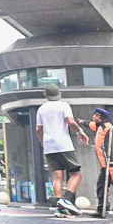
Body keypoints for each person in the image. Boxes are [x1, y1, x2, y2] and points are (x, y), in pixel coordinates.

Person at [36, 85, 84, 216]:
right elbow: (71, 122)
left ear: (45, 95)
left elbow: (39, 130)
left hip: (49, 146)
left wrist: (44, 146)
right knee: (76, 174)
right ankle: (66, 200)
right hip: (63, 145)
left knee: (58, 177)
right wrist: (81, 132)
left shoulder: (41, 109)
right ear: (60, 93)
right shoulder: (64, 105)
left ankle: (60, 209)